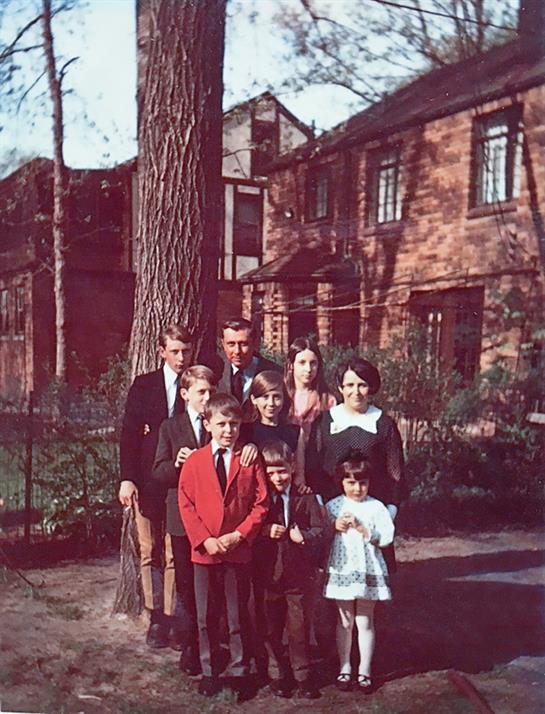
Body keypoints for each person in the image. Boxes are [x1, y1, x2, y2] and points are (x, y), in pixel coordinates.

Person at [178, 393, 269, 699]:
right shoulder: (194, 461)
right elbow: (186, 504)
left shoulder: (248, 459)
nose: (228, 430)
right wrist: (205, 540)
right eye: (221, 424)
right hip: (204, 552)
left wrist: (239, 535)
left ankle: (241, 671)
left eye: (234, 424)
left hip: (237, 550)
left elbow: (261, 504)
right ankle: (209, 671)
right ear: (207, 424)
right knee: (206, 616)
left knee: (237, 613)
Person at [119, 325, 195, 648]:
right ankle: (155, 618)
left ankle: (174, 616)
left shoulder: (194, 387)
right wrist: (127, 478)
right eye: (175, 351)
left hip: (179, 485)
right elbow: (129, 435)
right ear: (161, 351)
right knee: (149, 551)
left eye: (185, 351)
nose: (181, 358)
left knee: (175, 553)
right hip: (147, 483)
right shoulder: (144, 385)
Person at [254, 440, 325, 699]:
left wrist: (303, 536)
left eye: (282, 471)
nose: (277, 477)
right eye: (270, 473)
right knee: (270, 627)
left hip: (297, 576)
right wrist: (263, 531)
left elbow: (320, 530)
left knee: (298, 627)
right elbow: (247, 529)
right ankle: (276, 672)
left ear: (293, 467)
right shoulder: (259, 499)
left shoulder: (305, 497)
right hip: (268, 575)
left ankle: (302, 674)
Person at [306, 357, 407, 535]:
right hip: (332, 514)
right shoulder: (324, 422)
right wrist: (322, 512)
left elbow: (395, 473)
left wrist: (388, 515)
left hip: (372, 514)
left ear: (371, 388)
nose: (356, 392)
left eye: (362, 385)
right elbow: (313, 470)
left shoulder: (384, 424)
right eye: (350, 385)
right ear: (340, 388)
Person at [324, 458, 394, 693]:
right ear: (341, 482)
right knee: (344, 620)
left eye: (362, 483)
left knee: (365, 620)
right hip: (342, 569)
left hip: (368, 570)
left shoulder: (376, 507)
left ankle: (365, 670)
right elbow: (322, 533)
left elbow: (387, 537)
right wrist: (335, 525)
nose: (357, 489)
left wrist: (366, 530)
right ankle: (344, 667)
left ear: (369, 483)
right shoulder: (333, 506)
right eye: (351, 482)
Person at [241, 370, 305, 487]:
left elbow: (300, 475)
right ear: (253, 399)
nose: (271, 403)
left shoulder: (294, 432)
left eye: (276, 397)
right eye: (265, 397)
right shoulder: (246, 431)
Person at [284, 336, 336, 444]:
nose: (308, 369)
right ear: (291, 366)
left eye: (313, 363)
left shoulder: (327, 400)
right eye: (302, 363)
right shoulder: (282, 395)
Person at [216, 317, 281, 403]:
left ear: (254, 343)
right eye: (231, 344)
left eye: (243, 344)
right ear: (223, 344)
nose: (237, 351)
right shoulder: (216, 371)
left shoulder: (274, 372)